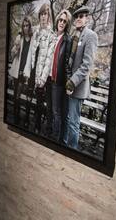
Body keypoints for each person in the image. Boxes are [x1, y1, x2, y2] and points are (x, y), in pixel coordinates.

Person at [63, 6, 98, 149]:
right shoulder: (74, 35)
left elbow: (86, 65)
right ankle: (65, 145)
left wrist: (71, 82)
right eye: (76, 16)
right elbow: (69, 62)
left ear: (87, 19)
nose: (78, 18)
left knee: (73, 122)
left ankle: (72, 150)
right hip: (68, 84)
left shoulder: (90, 35)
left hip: (77, 86)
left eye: (82, 16)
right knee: (67, 119)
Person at [27, 3, 56, 134]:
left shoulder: (51, 35)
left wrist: (43, 79)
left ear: (48, 17)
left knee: (39, 102)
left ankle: (37, 126)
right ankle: (28, 121)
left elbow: (49, 60)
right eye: (42, 14)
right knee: (29, 97)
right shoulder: (35, 31)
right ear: (39, 16)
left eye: (46, 14)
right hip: (32, 71)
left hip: (41, 74)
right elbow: (30, 52)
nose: (43, 16)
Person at [49, 9, 72, 142]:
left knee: (57, 112)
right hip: (48, 78)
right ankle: (51, 133)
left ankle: (55, 139)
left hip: (58, 81)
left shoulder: (66, 40)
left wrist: (68, 83)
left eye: (65, 21)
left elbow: (67, 63)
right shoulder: (53, 37)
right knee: (51, 110)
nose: (62, 22)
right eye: (60, 20)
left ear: (67, 24)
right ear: (57, 20)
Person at [8, 16, 34, 125]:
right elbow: (12, 54)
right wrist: (16, 46)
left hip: (27, 73)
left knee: (27, 98)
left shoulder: (33, 39)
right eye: (23, 26)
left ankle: (26, 120)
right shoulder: (20, 38)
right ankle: (16, 118)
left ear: (30, 26)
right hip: (17, 72)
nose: (25, 28)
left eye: (27, 25)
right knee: (16, 97)